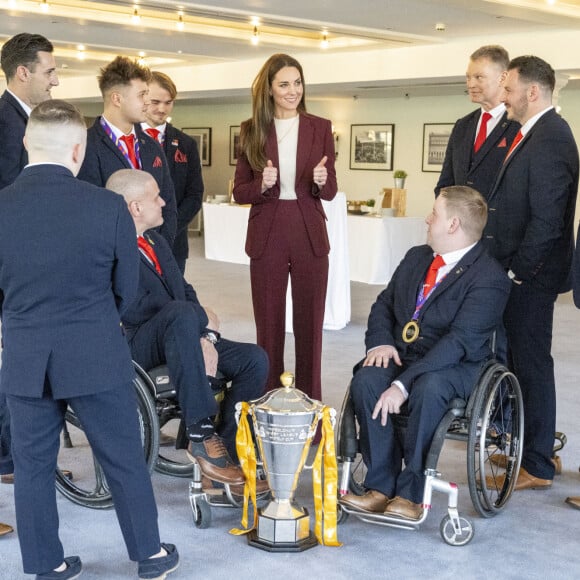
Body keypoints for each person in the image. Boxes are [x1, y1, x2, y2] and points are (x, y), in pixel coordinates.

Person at [0, 100, 179, 579]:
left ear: (25, 143)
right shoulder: (107, 206)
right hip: (94, 349)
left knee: (32, 465)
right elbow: (125, 288)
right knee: (122, 456)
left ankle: (47, 565)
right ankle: (149, 556)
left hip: (25, 354)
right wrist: (97, 323)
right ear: (78, 149)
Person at [340, 186, 511, 520]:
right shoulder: (417, 257)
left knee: (429, 388)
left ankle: (412, 493)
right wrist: (381, 343)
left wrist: (402, 384)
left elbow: (459, 343)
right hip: (406, 353)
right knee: (367, 380)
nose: (427, 219)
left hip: (459, 364)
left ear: (453, 225)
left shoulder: (489, 278)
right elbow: (384, 305)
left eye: (435, 214)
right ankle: (379, 485)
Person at [107, 169, 268, 489]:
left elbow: (185, 291)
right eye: (156, 197)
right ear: (135, 207)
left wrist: (205, 337)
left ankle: (224, 452)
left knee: (254, 359)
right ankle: (199, 432)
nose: (165, 202)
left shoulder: (156, 240)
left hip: (180, 331)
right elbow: (142, 308)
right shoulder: (111, 248)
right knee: (181, 313)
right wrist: (199, 322)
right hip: (137, 342)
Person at [482, 55, 579, 492]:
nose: (504, 96)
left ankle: (538, 464)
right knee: (521, 363)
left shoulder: (553, 138)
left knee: (533, 365)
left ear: (532, 92)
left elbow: (548, 221)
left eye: (510, 89)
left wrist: (519, 272)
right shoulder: (532, 132)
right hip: (520, 272)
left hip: (532, 277)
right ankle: (534, 448)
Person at [233, 53, 337, 401]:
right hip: (269, 231)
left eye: (297, 82)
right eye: (284, 84)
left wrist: (322, 181)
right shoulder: (251, 130)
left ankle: (310, 409)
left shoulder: (320, 127)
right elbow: (239, 191)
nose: (293, 91)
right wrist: (262, 184)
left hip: (309, 232)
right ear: (269, 89)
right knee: (269, 327)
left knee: (310, 329)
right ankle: (270, 404)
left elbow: (331, 190)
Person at [0, 32, 59, 535]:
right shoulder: (3, 123)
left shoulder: (32, 121)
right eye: (48, 71)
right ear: (23, 73)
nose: (55, 79)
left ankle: (9, 457)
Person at [77, 56, 177, 246]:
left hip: (153, 254)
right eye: (141, 95)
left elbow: (168, 202)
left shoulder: (152, 145)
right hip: (110, 256)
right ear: (117, 98)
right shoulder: (86, 145)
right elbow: (89, 211)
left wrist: (161, 249)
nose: (147, 102)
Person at [435, 45, 520, 199]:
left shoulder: (519, 124)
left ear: (502, 78)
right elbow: (446, 183)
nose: (470, 84)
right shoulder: (462, 126)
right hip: (461, 221)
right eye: (468, 77)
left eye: (479, 77)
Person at [142, 71, 204, 273]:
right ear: (143, 98)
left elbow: (194, 195)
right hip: (132, 240)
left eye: (168, 102)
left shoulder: (186, 144)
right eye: (155, 102)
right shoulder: (125, 139)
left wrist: (170, 226)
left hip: (174, 244)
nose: (162, 109)